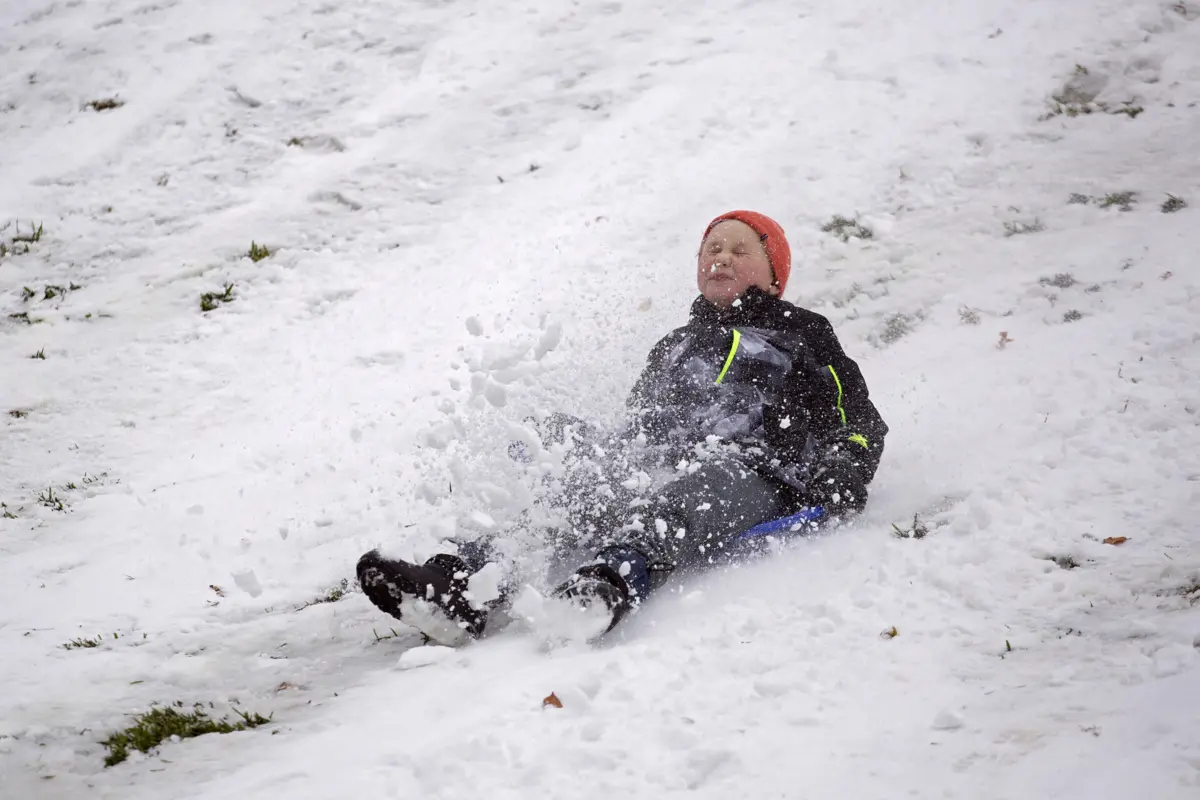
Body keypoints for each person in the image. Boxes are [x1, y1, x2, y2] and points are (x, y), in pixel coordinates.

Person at [357, 211, 888, 644]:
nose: (722, 256)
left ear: (774, 275)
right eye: (712, 248)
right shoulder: (674, 345)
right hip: (666, 463)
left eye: (740, 250)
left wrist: (844, 467)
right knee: (568, 459)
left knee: (692, 493)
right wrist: (593, 454)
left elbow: (855, 417)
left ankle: (607, 583)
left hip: (754, 472)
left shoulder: (801, 332)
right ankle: (462, 583)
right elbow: (639, 426)